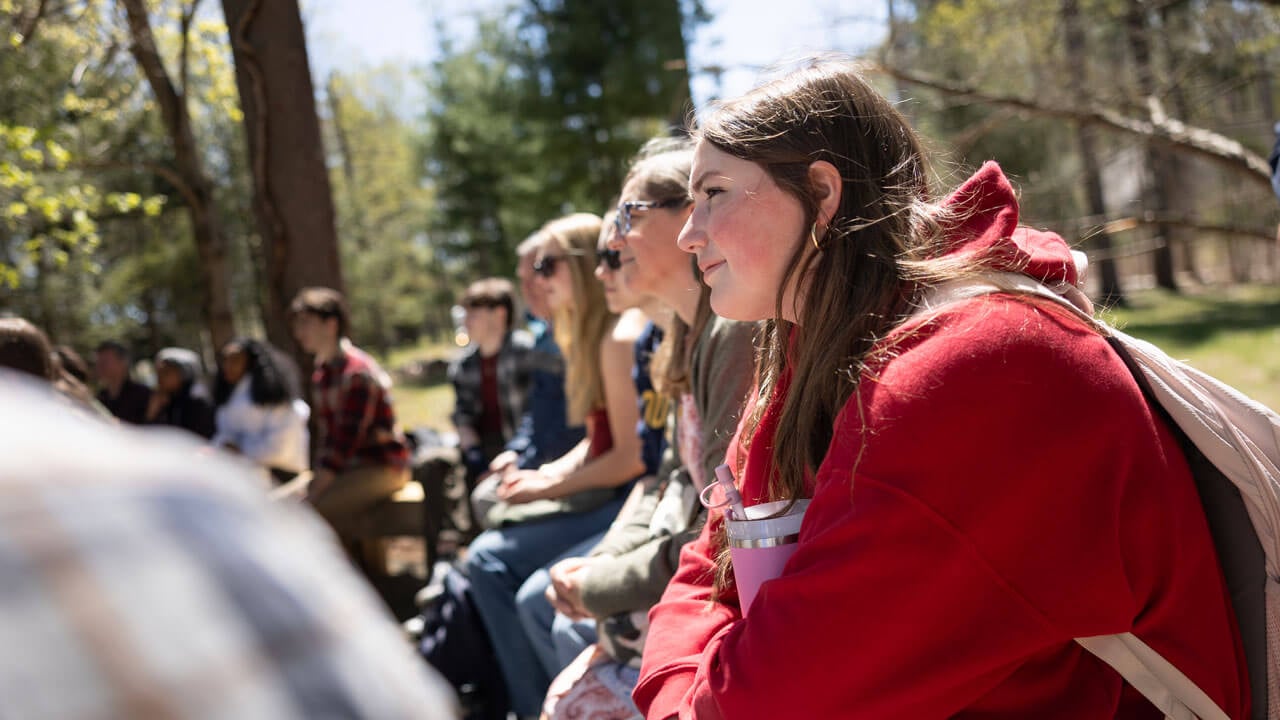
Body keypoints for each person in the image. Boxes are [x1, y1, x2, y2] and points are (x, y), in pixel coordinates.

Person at [634, 59, 1248, 719]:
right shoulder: (810, 355)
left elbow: (777, 697)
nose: (689, 232)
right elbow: (711, 560)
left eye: (714, 193)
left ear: (820, 192)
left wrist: (682, 697)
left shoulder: (971, 373)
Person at [0, 370, 458, 719]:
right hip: (266, 477)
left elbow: (324, 446)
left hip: (361, 468)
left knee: (303, 512)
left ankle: (393, 593)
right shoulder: (198, 462)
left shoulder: (343, 375)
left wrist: (312, 486)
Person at [539, 140, 757, 720]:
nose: (611, 242)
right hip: (689, 565)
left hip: (724, 590)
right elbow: (667, 477)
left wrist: (601, 582)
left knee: (566, 673)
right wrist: (606, 561)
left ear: (688, 212)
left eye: (627, 216)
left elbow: (717, 527)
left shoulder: (731, 335)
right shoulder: (682, 339)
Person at [462, 213, 646, 718]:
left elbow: (630, 461)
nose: (537, 282)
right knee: (491, 558)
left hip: (624, 501)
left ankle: (536, 705)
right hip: (616, 495)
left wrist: (545, 488)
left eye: (547, 266)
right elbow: (594, 441)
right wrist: (541, 476)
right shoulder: (584, 337)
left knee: (512, 583)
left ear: (586, 266)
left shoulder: (616, 337)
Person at [289, 287, 410, 564]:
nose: (299, 333)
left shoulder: (356, 373)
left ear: (331, 324)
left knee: (310, 514)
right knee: (281, 501)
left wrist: (315, 489)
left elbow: (343, 444)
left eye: (306, 323)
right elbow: (329, 440)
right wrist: (312, 484)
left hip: (383, 466)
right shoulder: (322, 373)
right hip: (349, 468)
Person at [448, 277, 536, 493]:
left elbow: (537, 415)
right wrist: (476, 458)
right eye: (464, 315)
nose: (466, 322)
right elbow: (463, 417)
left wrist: (513, 456)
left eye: (474, 315)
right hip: (482, 452)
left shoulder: (527, 352)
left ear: (500, 314)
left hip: (524, 449)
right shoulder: (463, 365)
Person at [211, 337, 310, 482]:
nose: (227, 366)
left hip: (282, 477)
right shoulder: (229, 399)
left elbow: (281, 449)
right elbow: (225, 437)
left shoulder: (274, 396)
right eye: (225, 360)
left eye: (235, 360)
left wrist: (239, 451)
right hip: (242, 475)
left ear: (251, 362)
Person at [145, 347, 217, 439]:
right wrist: (152, 414)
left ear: (184, 374)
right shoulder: (165, 401)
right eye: (159, 373)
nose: (160, 378)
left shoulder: (198, 403)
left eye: (166, 372)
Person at [94, 339, 152, 424]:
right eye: (99, 361)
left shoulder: (144, 396)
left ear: (123, 362)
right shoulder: (100, 397)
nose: (100, 366)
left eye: (105, 361)